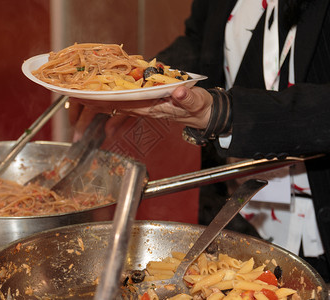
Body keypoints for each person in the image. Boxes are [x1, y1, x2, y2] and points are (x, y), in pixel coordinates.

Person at [71, 0, 330, 282]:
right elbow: (202, 41)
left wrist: (222, 113)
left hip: (317, 216)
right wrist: (137, 83)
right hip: (237, 203)